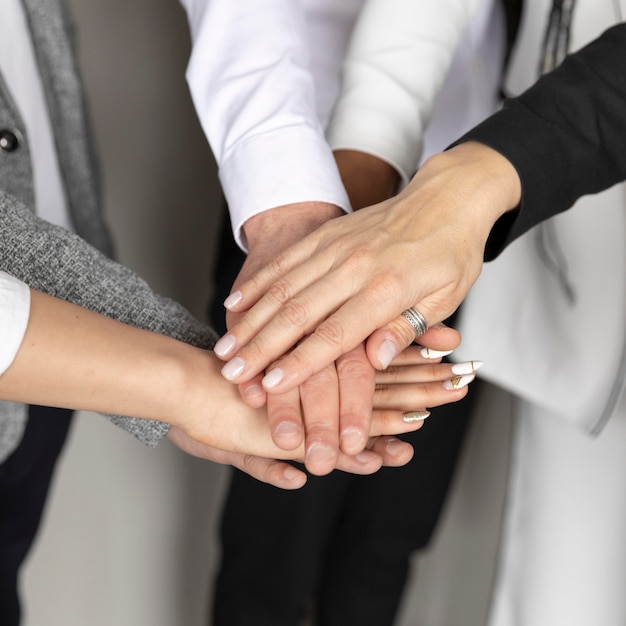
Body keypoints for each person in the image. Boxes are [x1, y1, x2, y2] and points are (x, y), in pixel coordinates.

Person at [0, 1, 467, 623]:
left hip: (64, 346)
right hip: (71, 353)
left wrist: (289, 212)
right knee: (273, 553)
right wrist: (185, 384)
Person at [214, 14, 626, 625]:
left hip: (488, 206)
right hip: (405, 204)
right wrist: (364, 195)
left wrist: (471, 183)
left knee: (388, 536)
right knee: (278, 539)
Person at [202, 1, 508, 623]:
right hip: (295, 179)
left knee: (390, 533)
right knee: (276, 528)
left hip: (472, 199)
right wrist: (312, 225)